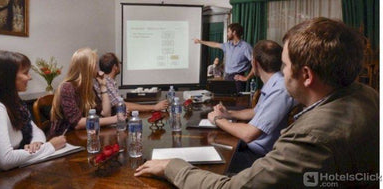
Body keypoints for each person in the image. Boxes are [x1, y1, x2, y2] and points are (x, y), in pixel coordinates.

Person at [134, 17, 379, 188]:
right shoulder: (367, 95)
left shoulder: (312, 138)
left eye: (285, 65)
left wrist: (172, 167)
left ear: (306, 75)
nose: (282, 73)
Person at [207, 40, 296, 174]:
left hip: (260, 158)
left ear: (254, 63)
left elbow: (249, 134)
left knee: (209, 165)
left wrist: (217, 119)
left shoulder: (279, 90)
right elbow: (255, 112)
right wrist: (229, 114)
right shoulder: (274, 83)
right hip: (254, 150)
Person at [0, 51, 66, 170]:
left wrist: (37, 143)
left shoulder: (14, 102)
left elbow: (36, 130)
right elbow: (5, 160)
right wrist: (50, 146)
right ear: (7, 77)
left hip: (12, 169)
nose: (30, 77)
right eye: (25, 73)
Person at [50, 48, 117, 137]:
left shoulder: (88, 88)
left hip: (83, 136)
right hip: (65, 139)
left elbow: (106, 113)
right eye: (95, 64)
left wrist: (103, 86)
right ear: (87, 67)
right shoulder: (67, 88)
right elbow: (77, 123)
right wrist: (115, 119)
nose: (97, 68)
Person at [94, 52, 168, 112]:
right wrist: (154, 107)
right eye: (119, 63)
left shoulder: (107, 81)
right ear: (115, 67)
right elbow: (121, 105)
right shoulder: (106, 83)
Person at [194, 23, 253, 92]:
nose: (227, 34)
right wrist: (200, 41)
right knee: (227, 100)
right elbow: (215, 44)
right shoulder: (227, 45)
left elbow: (255, 63)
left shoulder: (245, 47)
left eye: (228, 31)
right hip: (227, 77)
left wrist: (247, 78)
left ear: (234, 32)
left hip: (237, 79)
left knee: (237, 101)